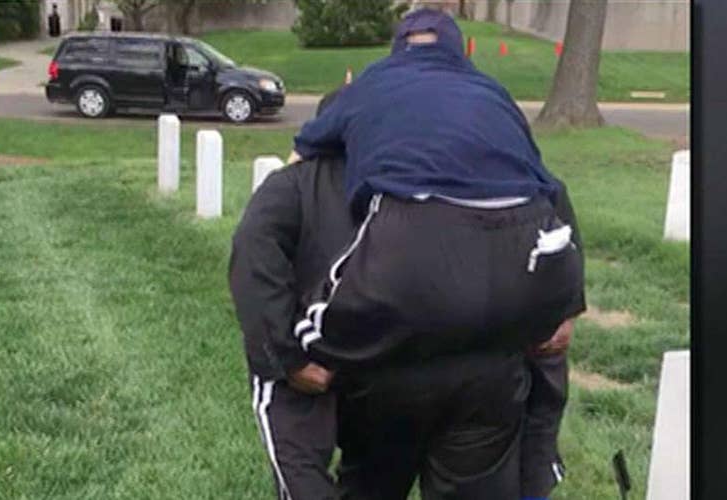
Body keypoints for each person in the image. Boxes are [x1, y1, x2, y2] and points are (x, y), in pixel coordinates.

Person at [230, 88, 583, 499]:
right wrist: (564, 305)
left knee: (369, 478)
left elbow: (252, 253)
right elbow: (550, 200)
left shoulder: (296, 183)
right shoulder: (453, 169)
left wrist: (286, 355)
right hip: (477, 364)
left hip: (375, 372)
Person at [287, 9, 584, 376]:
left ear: (397, 51)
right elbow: (551, 189)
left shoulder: (372, 81)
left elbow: (299, 157)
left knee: (304, 343)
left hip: (419, 231)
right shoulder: (493, 92)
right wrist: (568, 309)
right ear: (461, 54)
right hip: (527, 251)